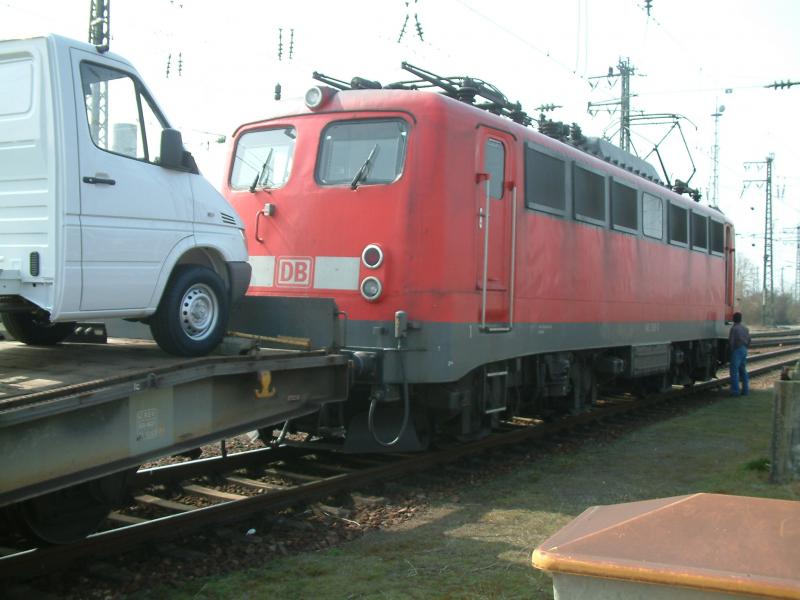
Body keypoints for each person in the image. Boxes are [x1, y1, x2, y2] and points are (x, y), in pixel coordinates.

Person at [728, 312, 751, 396]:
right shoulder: (745, 328)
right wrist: (745, 347)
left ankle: (735, 391)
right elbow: (749, 340)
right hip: (744, 349)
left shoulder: (734, 329)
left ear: (733, 319)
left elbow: (731, 342)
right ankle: (745, 390)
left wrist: (731, 351)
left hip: (736, 350)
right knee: (743, 370)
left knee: (734, 371)